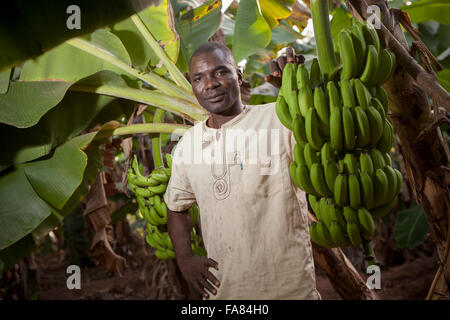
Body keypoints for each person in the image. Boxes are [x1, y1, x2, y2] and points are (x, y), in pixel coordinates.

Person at [163, 42, 321, 300]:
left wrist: (297, 89)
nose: (210, 84)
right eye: (198, 78)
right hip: (225, 291)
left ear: (239, 74)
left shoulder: (279, 119)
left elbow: (322, 142)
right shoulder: (188, 144)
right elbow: (175, 206)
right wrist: (185, 258)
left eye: (221, 72)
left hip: (290, 289)